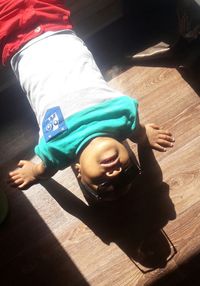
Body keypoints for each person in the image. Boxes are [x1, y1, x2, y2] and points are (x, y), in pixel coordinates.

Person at [0, 0, 175, 202]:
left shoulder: (56, 152)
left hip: (16, 41)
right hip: (54, 23)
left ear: (79, 171)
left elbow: (44, 170)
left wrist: (34, 173)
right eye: (127, 174)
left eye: (104, 186)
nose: (115, 175)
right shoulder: (123, 120)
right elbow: (137, 131)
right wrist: (145, 137)